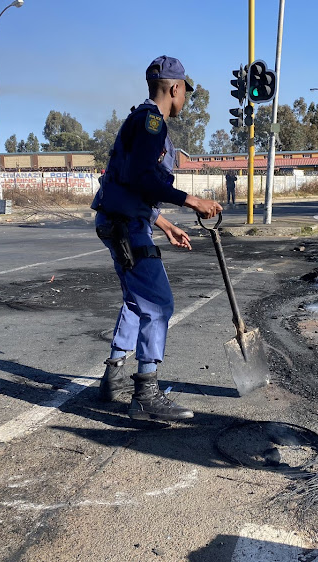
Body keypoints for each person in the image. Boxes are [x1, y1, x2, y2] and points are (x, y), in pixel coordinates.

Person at [90, 55, 222, 421]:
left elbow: (128, 183)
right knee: (158, 304)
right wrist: (191, 200)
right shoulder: (151, 123)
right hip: (126, 226)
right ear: (175, 88)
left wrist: (163, 222)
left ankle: (113, 377)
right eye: (185, 93)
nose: (185, 100)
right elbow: (142, 180)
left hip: (123, 220)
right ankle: (146, 393)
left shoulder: (141, 120)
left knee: (138, 301)